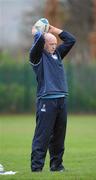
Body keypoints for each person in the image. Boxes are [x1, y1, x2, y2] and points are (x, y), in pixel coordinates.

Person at [29, 24, 76, 172]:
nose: (54, 47)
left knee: (59, 136)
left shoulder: (58, 54)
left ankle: (56, 166)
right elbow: (37, 42)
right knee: (42, 136)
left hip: (61, 99)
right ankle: (36, 168)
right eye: (51, 44)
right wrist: (37, 32)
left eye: (55, 44)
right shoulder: (37, 56)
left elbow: (71, 40)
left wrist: (54, 30)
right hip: (46, 101)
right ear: (43, 44)